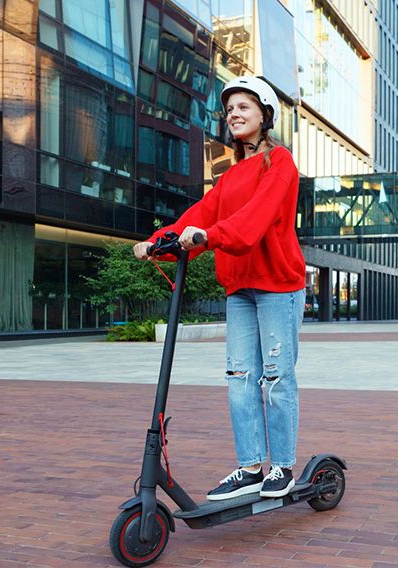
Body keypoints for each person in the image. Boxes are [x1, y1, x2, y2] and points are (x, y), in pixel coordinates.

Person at [133, 76, 306, 501]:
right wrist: (158, 241)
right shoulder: (228, 179)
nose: (234, 115)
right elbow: (199, 214)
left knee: (275, 378)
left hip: (278, 286)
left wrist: (207, 237)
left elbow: (252, 223)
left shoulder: (279, 162)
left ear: (265, 114)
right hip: (240, 288)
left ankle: (281, 466)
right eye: (229, 110)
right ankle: (250, 466)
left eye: (244, 107)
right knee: (239, 377)